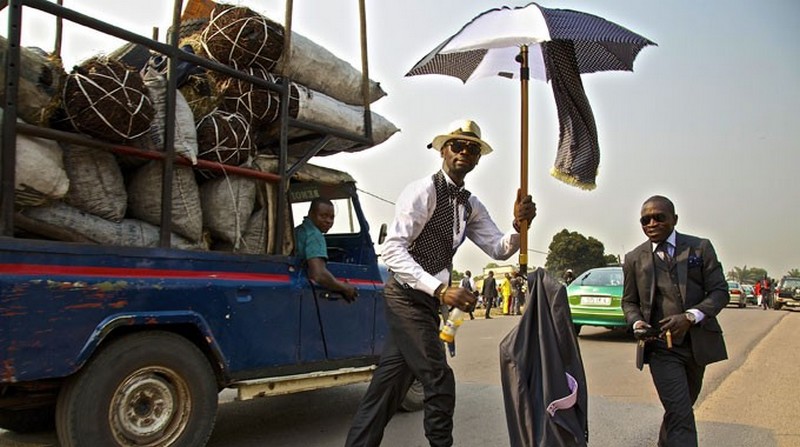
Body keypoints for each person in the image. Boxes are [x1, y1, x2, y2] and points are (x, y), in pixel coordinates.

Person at [345, 119, 536, 447]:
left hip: (427, 302)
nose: (464, 152)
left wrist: (519, 226)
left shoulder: (470, 205)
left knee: (387, 388)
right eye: (457, 146)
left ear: (477, 159)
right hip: (405, 297)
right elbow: (393, 250)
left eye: (472, 149)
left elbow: (498, 248)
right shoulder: (422, 191)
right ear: (443, 151)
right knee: (439, 380)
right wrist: (441, 289)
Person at [622, 195, 728, 447]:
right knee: (681, 414)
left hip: (697, 346)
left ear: (674, 219)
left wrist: (691, 316)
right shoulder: (634, 258)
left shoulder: (700, 248)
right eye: (645, 220)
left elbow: (720, 292)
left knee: (679, 410)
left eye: (659, 217)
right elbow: (629, 302)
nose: (652, 223)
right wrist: (637, 323)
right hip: (661, 349)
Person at [294, 197, 358, 302]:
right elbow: (318, 275)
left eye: (331, 217)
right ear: (311, 214)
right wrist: (345, 287)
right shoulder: (315, 235)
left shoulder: (299, 230)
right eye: (323, 216)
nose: (328, 221)